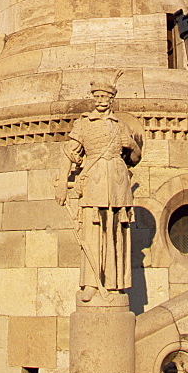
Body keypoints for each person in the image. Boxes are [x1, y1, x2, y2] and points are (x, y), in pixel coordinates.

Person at [56, 73, 142, 301]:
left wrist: (132, 145)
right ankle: (91, 283)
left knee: (116, 232)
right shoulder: (84, 124)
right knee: (92, 231)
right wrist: (62, 184)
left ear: (112, 99)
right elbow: (69, 153)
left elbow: (135, 158)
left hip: (118, 182)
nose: (102, 100)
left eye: (106, 96)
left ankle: (115, 283)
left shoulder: (121, 126)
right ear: (93, 98)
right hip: (94, 180)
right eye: (98, 96)